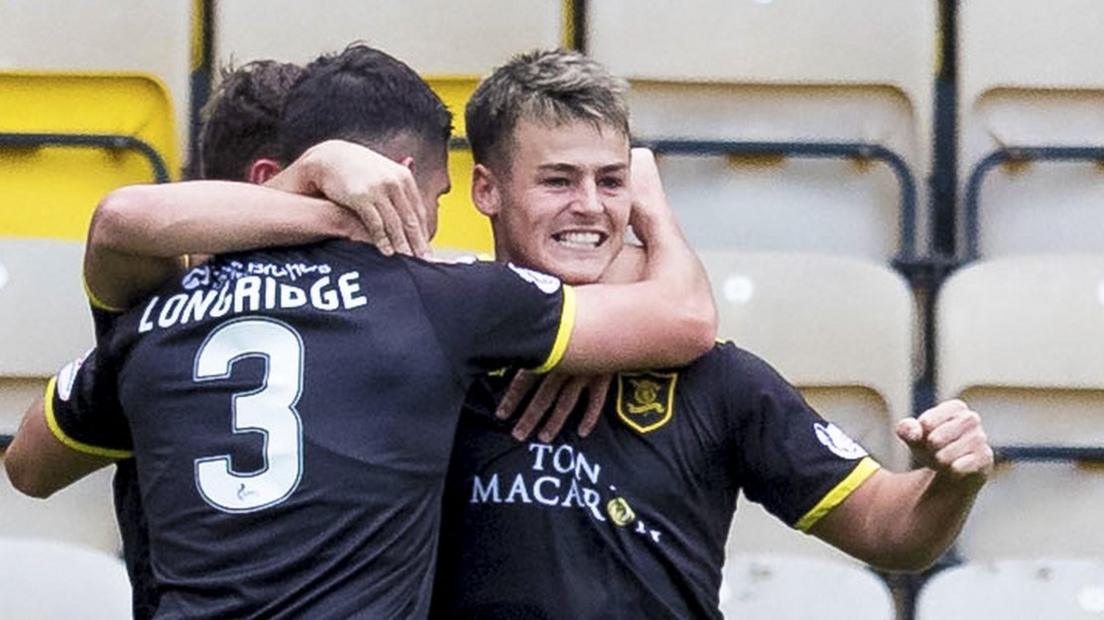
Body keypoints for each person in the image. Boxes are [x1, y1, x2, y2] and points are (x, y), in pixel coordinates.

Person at [5, 44, 716, 619]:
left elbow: (27, 466)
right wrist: (643, 194)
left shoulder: (156, 318)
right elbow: (683, 318)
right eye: (437, 197)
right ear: (398, 181)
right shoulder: (438, 301)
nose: (432, 223)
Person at [423, 49, 994, 618]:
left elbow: (888, 529)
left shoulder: (717, 379)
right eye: (558, 181)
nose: (590, 206)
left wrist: (950, 482)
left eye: (613, 181)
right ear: (485, 191)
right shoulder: (431, 357)